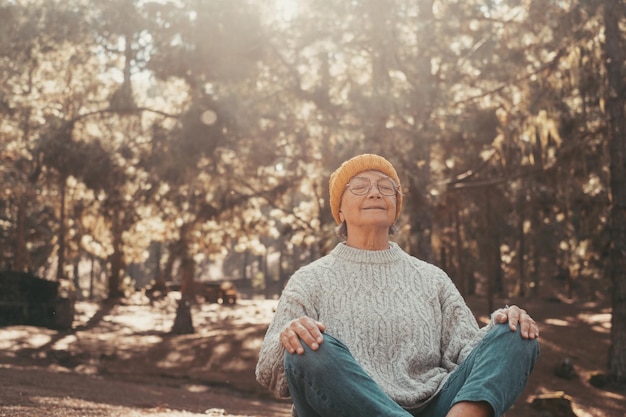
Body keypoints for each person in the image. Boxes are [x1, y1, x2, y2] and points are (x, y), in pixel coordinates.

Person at [256, 154, 540, 417]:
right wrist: (289, 337)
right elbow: (270, 372)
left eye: (385, 187)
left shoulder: (432, 278)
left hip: (435, 406)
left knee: (517, 332)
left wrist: (502, 327)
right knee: (307, 343)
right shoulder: (310, 279)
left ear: (395, 207)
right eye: (360, 187)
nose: (375, 192)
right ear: (339, 209)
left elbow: (466, 354)